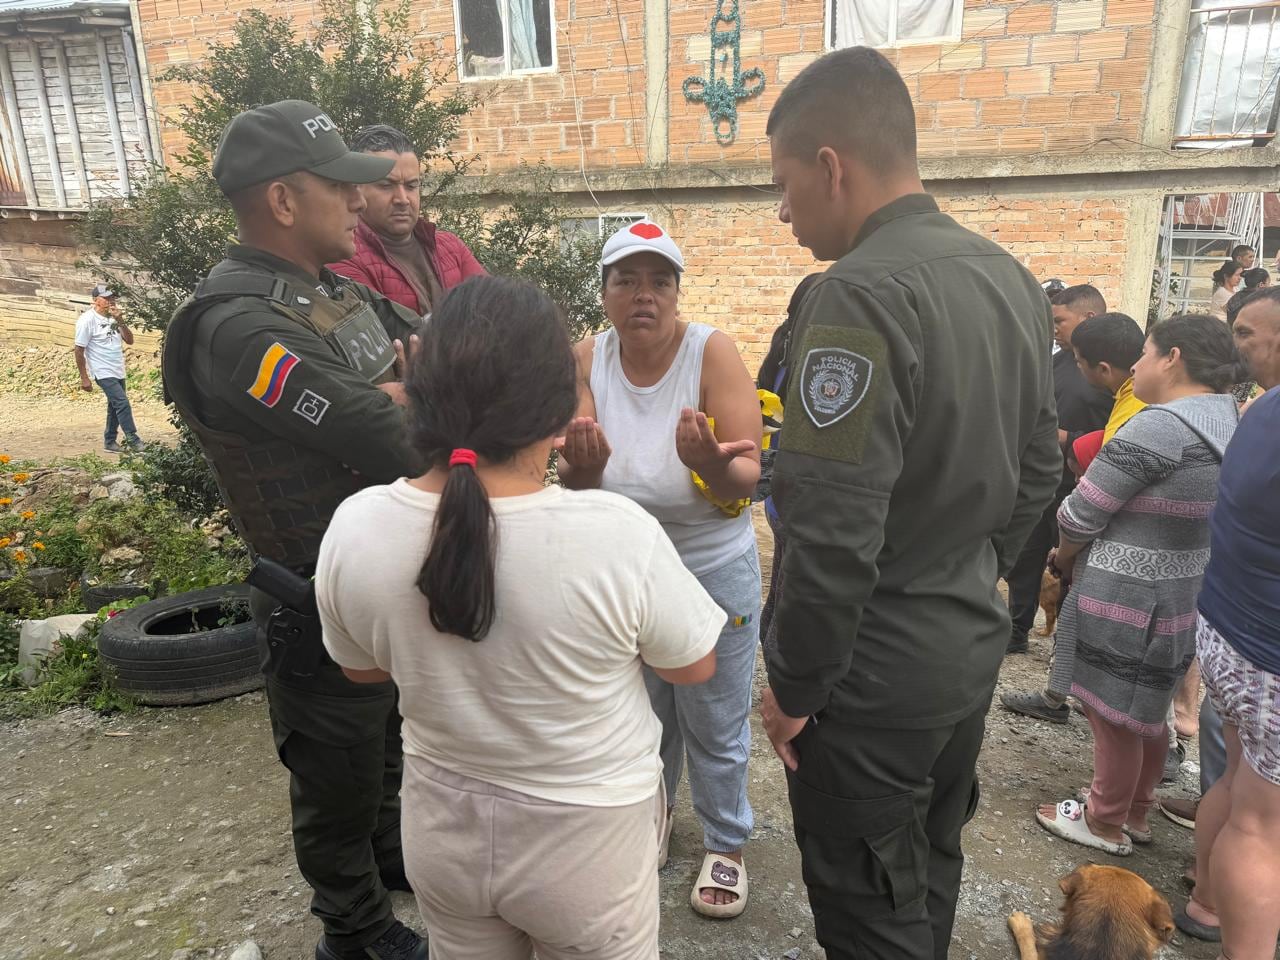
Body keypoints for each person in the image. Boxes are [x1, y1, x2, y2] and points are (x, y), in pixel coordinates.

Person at [316, 275, 722, 959]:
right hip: (587, 840)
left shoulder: (357, 528)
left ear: (416, 384)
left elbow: (363, 671)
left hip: (443, 828)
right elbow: (692, 663)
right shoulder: (615, 532)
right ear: (563, 409)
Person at [759, 47, 1061, 960]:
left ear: (830, 167)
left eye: (782, 185)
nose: (781, 211)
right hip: (960, 651)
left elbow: (831, 529)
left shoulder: (854, 293)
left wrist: (794, 687)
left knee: (868, 912)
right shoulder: (1008, 275)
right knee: (928, 866)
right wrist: (980, 573)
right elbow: (1040, 468)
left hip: (870, 680)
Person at [160, 100, 430, 960]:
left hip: (377, 569)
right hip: (312, 590)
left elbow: (437, 358)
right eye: (340, 187)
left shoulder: (329, 293)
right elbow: (390, 434)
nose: (360, 203)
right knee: (335, 764)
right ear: (282, 199)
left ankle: (389, 857)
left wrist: (402, 390)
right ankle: (352, 932)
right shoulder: (238, 329)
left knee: (385, 734)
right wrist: (398, 397)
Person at [555, 220, 762, 919]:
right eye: (626, 280)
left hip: (710, 566)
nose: (644, 295)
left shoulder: (712, 353)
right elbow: (579, 483)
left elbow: (747, 480)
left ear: (677, 292)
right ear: (606, 292)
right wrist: (578, 472)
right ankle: (656, 820)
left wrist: (707, 461)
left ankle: (728, 841)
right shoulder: (587, 357)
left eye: (659, 281)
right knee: (641, 713)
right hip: (625, 571)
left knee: (716, 712)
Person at [1033, 314, 1239, 856]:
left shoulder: (1159, 425)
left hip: (1128, 590)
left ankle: (1102, 819)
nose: (1138, 366)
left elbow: (1081, 514)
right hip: (1183, 587)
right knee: (1147, 709)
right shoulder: (1228, 419)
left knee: (1112, 712)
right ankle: (1137, 811)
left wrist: (1062, 556)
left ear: (1173, 358)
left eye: (1145, 354)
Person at [1175, 309, 1280, 960]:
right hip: (1269, 652)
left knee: (1235, 785)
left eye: (1248, 333)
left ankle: (1206, 903)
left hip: (1227, 632)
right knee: (1261, 827)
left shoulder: (1260, 411)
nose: (1239, 346)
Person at [1003, 284, 1113, 660]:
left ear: (1089, 318)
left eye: (1060, 321)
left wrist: (1069, 439)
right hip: (1040, 481)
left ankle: (1064, 647)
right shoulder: (1055, 363)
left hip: (1084, 487)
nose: (1053, 329)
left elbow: (1119, 433)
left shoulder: (1112, 370)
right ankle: (1016, 630)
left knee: (1070, 566)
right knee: (1025, 557)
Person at [328, 124, 485, 317]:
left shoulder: (450, 246)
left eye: (411, 186)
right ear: (356, 189)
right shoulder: (344, 258)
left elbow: (497, 309)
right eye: (386, 186)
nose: (402, 199)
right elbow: (383, 339)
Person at [757, 273, 822, 663]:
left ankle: (770, 644)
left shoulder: (783, 348)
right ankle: (780, 660)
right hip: (801, 488)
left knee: (783, 577)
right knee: (793, 582)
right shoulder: (809, 352)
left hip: (777, 484)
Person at [74, 284, 144, 453]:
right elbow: (79, 349)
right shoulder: (87, 320)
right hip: (101, 369)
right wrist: (84, 377)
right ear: (95, 301)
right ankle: (134, 440)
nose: (110, 301)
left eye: (112, 297)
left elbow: (130, 340)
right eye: (106, 298)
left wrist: (120, 320)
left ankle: (109, 441)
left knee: (115, 406)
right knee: (122, 403)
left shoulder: (114, 318)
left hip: (117, 368)